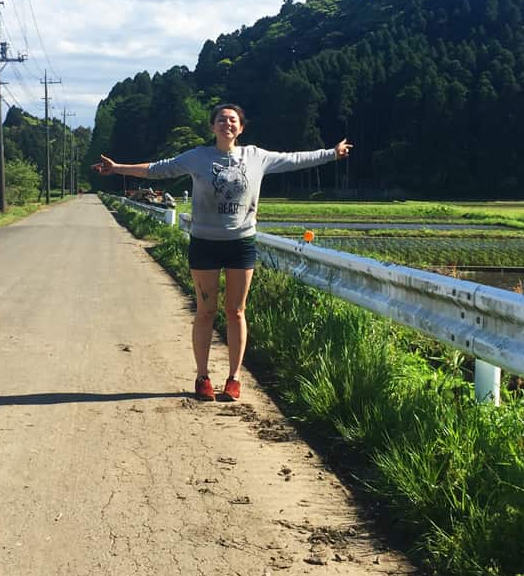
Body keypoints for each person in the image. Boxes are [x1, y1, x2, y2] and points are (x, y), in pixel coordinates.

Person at [94, 103, 352, 401]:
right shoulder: (197, 157)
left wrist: (331, 153)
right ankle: (202, 376)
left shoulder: (257, 157)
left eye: (233, 120)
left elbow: (294, 159)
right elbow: (157, 169)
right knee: (206, 311)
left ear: (240, 128)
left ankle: (234, 377)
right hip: (204, 242)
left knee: (236, 311)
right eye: (221, 120)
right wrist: (118, 168)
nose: (227, 124)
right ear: (212, 126)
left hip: (241, 243)